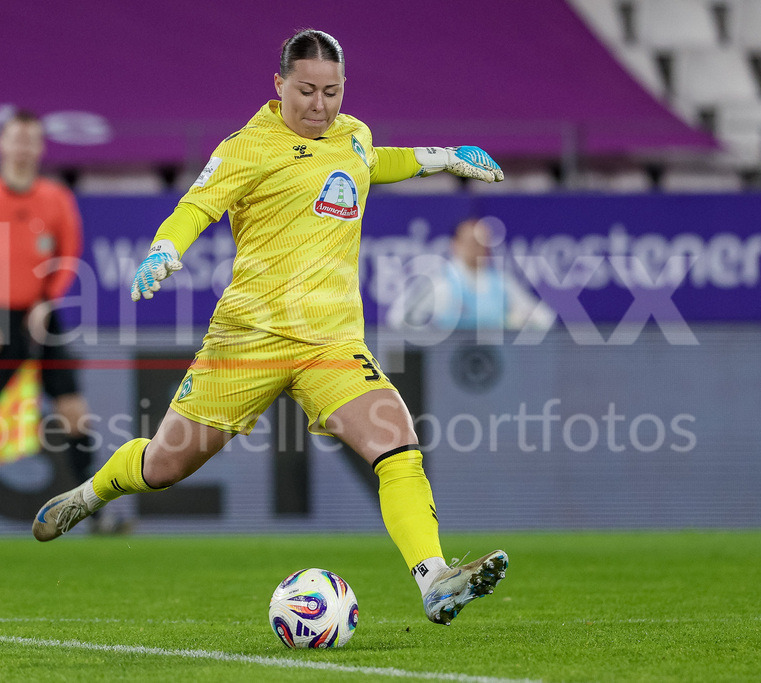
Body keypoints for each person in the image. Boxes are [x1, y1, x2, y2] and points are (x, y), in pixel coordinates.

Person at [32, 30, 508, 625]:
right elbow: (195, 206)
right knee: (163, 467)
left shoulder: (353, 134)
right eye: (306, 90)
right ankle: (90, 495)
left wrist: (441, 159)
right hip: (247, 341)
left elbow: (372, 162)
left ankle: (435, 579)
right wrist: (164, 251)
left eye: (331, 91)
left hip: (331, 344)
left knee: (398, 443)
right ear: (278, 84)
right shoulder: (247, 147)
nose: (319, 104)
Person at [0, 109, 105, 536]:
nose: (22, 148)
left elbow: (68, 254)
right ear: (1, 145)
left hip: (44, 314)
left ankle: (92, 512)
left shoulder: (56, 198)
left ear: (39, 148)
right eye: (16, 139)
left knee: (74, 413)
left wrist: (48, 300)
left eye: (30, 140)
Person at [388, 217, 555, 332]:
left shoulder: (502, 283)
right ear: (456, 244)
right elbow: (398, 319)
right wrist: (430, 336)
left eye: (483, 241)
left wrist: (514, 323)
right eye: (472, 242)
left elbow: (545, 318)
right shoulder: (439, 284)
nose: (478, 247)